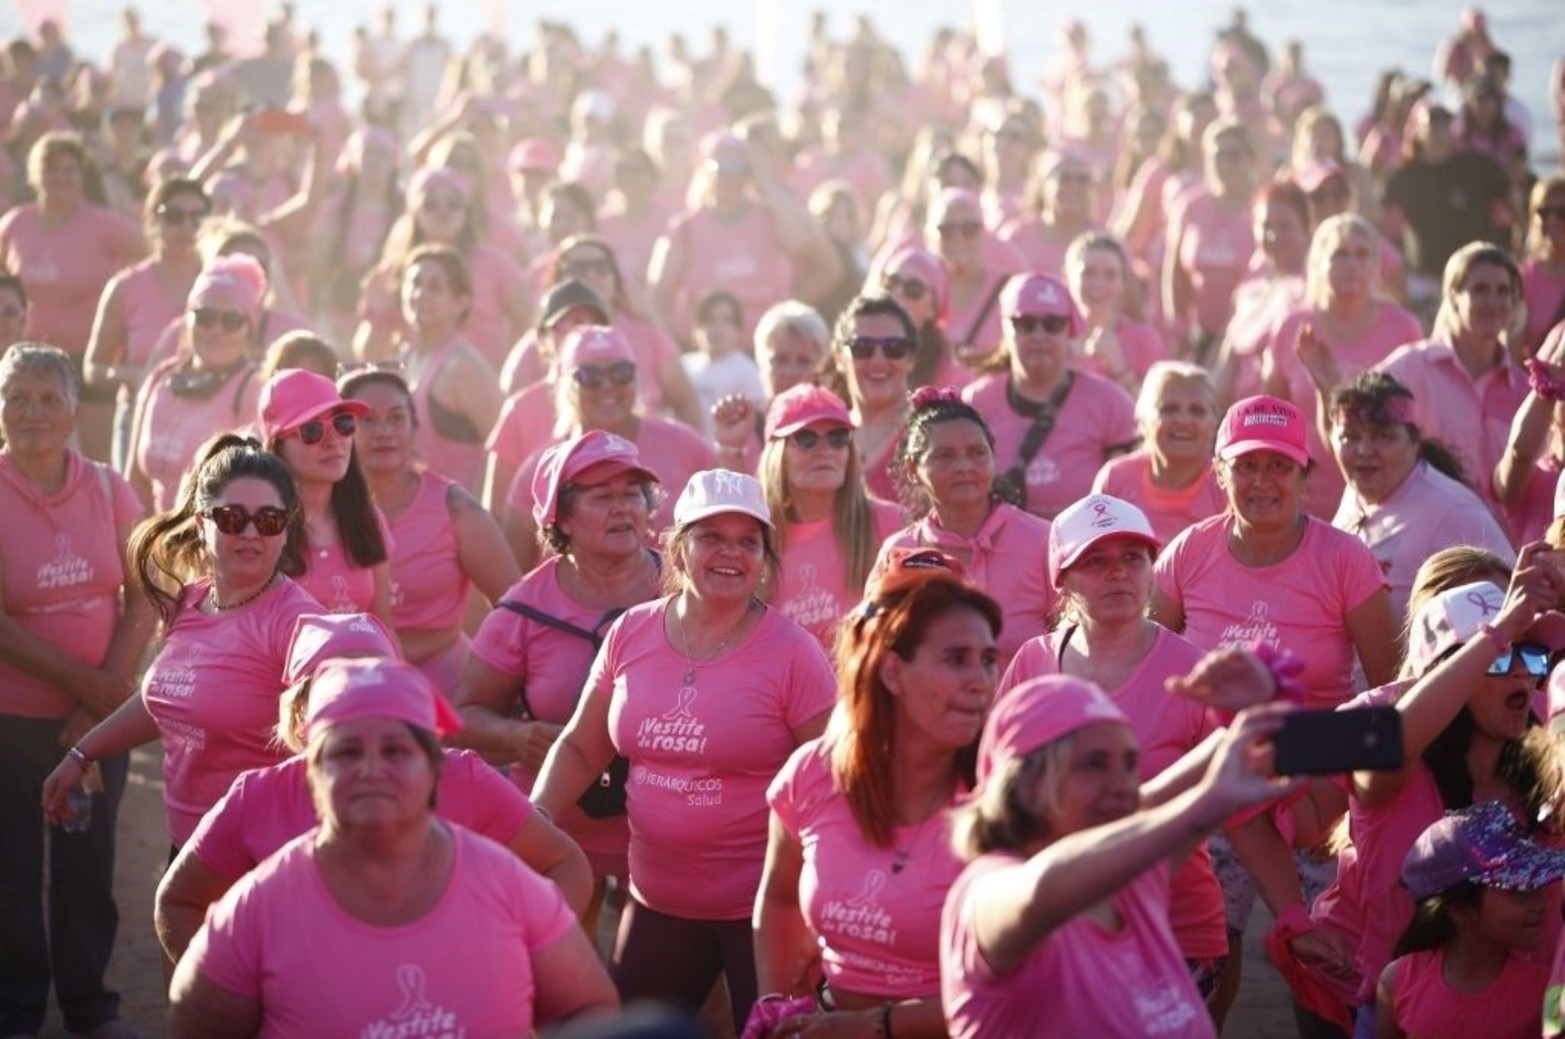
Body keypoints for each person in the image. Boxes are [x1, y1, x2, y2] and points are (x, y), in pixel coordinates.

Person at [531, 470, 837, 1031]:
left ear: (764, 557)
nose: (731, 553)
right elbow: (580, 746)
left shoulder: (795, 654)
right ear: (677, 547)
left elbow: (832, 779)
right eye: (711, 537)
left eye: (748, 541)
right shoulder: (631, 633)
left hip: (764, 913)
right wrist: (534, 816)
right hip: (656, 903)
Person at [167, 658, 619, 1036]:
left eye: (396, 751)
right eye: (346, 753)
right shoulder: (259, 908)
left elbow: (590, 1008)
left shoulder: (506, 885)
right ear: (312, 773)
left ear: (434, 769)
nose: (371, 770)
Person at [154, 612, 593, 964]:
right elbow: (178, 902)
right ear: (302, 708)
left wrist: (512, 960)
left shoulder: (461, 777)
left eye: (378, 680)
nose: (363, 702)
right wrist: (239, 991)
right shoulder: (259, 797)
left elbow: (565, 863)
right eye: (339, 687)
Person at [939, 664, 1298, 1037]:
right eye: (1094, 764)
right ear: (1027, 783)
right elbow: (1043, 888)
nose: (1123, 785)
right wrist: (1206, 804)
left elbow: (1153, 800)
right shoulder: (987, 889)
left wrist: (1252, 710)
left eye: (1129, 764)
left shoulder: (1131, 882)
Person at [1302, 566, 1565, 1035]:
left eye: (1530, 653)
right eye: (1502, 658)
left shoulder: (1548, 762)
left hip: (1537, 1014)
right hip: (1406, 1016)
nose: (1524, 671)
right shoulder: (1389, 766)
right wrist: (1500, 630)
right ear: (1447, 675)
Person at [998, 494, 1231, 1011]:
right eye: (1096, 561)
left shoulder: (1194, 673)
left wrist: (1290, 914)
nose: (1118, 574)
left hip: (1171, 928)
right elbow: (993, 798)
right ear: (1062, 577)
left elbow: (1245, 810)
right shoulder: (1032, 662)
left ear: (1153, 569)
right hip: (1054, 928)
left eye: (1133, 557)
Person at [753, 550, 1000, 1037]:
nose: (980, 681)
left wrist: (875, 1026)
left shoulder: (1006, 797)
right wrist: (779, 1006)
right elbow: (780, 897)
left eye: (988, 659)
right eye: (955, 659)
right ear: (891, 670)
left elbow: (1023, 983)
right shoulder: (812, 774)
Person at [41, 435, 319, 849]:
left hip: (264, 857)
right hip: (189, 849)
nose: (250, 532)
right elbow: (169, 698)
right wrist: (82, 754)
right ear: (200, 522)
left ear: (285, 530)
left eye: (269, 520)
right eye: (231, 517)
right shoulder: (189, 600)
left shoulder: (297, 622)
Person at [0, 343, 150, 1039]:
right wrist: (85, 685)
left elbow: (147, 589)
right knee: (11, 874)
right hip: (13, 720)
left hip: (97, 727)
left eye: (47, 398)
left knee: (87, 869)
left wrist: (99, 701)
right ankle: (17, 1012)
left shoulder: (110, 487)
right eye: (16, 397)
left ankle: (92, 1009)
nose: (31, 411)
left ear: (71, 412)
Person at [453, 431, 664, 923]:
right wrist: (517, 735)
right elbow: (460, 718)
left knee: (680, 996)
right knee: (561, 984)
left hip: (670, 841)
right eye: (602, 496)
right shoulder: (523, 610)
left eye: (632, 494)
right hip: (559, 836)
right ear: (560, 517)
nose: (623, 509)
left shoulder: (683, 588)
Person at [1151, 394, 1398, 708]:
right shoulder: (1189, 550)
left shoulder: (1346, 559)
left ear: (1304, 475)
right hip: (1208, 752)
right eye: (1246, 465)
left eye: (1278, 466)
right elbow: (1147, 668)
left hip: (1319, 751)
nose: (1261, 481)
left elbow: (1394, 691)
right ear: (1219, 473)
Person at [341, 370, 518, 692]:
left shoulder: (455, 507)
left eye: (396, 418)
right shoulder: (321, 512)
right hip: (344, 689)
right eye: (366, 420)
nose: (384, 431)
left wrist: (500, 687)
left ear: (414, 427)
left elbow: (517, 609)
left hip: (445, 692)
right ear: (341, 429)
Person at [502, 325, 715, 571]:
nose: (606, 385)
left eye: (620, 372)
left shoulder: (685, 445)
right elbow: (511, 579)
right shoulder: (541, 470)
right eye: (589, 376)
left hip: (672, 605)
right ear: (564, 383)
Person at [877, 388, 1054, 671]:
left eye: (977, 453)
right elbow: (879, 654)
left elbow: (1076, 646)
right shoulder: (900, 552)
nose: (963, 466)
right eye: (944, 456)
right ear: (912, 469)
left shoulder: (1043, 541)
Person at [1263, 214, 1425, 516]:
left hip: (1382, 497)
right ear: (1319, 262)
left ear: (1376, 265)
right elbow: (1275, 411)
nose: (1352, 264)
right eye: (1340, 254)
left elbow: (1417, 421)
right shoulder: (1293, 325)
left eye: (1362, 254)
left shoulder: (1404, 328)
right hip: (1305, 494)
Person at [0, 131, 142, 460]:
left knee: (95, 457)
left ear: (82, 175)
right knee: (25, 452)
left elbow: (149, 251)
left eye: (70, 169)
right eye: (51, 168)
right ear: (36, 174)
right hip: (28, 358)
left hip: (85, 356)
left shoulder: (104, 224)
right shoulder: (16, 224)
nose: (60, 177)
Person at [1329, 372, 1512, 619]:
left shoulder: (1454, 509)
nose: (1363, 450)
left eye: (1383, 436)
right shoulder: (1356, 489)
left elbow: (1512, 597)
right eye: (1350, 436)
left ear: (1414, 442)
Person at [1374, 802, 1564, 1039]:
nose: (1541, 904)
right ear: (1458, 910)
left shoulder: (1552, 992)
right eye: (1519, 892)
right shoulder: (1397, 981)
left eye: (1539, 887)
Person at [961, 272, 1138, 521]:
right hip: (1001, 551)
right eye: (1025, 324)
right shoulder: (975, 404)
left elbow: (1132, 496)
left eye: (1052, 324)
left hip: (1084, 551)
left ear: (1070, 330)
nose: (1039, 335)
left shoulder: (1109, 402)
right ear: (1005, 328)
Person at [648, 131, 839, 348]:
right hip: (707, 358)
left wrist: (787, 312)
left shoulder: (772, 217)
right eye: (721, 167)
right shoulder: (685, 228)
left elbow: (827, 264)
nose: (729, 177)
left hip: (767, 352)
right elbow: (657, 296)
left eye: (738, 167)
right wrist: (677, 345)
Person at [1377, 243, 1529, 511]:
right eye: (1480, 289)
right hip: (1426, 531)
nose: (1493, 302)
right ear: (1454, 295)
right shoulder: (1412, 367)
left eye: (1503, 291)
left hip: (1501, 543)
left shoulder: (1523, 388)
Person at [756, 383, 904, 651]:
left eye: (837, 438)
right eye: (806, 439)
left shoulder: (892, 524)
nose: (824, 450)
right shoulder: (754, 541)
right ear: (776, 455)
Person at [82, 178, 209, 470]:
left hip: (207, 415)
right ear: (152, 221)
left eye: (197, 216)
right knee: (137, 513)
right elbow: (93, 368)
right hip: (140, 414)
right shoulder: (126, 286)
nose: (187, 226)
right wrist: (137, 377)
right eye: (174, 216)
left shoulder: (222, 284)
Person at [125, 254, 266, 511]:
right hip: (155, 542)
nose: (217, 330)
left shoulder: (254, 390)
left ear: (250, 328)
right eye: (205, 316)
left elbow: (256, 493)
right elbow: (134, 483)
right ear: (187, 319)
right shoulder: (160, 377)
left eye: (232, 321)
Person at [259, 369, 393, 625]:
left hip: (362, 663)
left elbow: (383, 628)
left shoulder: (368, 518)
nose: (334, 441)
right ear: (277, 446)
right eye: (312, 430)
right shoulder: (259, 527)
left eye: (343, 423)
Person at [485, 278, 613, 513]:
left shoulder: (617, 400)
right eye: (573, 325)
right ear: (543, 339)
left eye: (594, 326)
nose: (583, 334)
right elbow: (496, 506)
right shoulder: (520, 410)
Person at [394, 243, 503, 491]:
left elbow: (505, 450)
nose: (420, 293)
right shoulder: (405, 358)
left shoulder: (464, 366)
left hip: (455, 520)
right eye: (415, 283)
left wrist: (473, 514)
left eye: (435, 287)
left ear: (461, 303)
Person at [1092, 362, 1225, 545]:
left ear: (1214, 424)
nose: (1184, 420)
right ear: (1143, 419)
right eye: (1169, 408)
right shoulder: (1115, 479)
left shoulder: (1227, 487)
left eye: (1197, 411)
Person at [1163, 120, 1258, 361]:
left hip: (1249, 334)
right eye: (1217, 156)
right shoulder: (1190, 206)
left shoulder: (1262, 209)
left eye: (1234, 155)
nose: (1224, 163)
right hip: (1199, 336)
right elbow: (1174, 271)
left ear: (1250, 160)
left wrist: (1230, 336)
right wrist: (1179, 326)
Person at [1215, 180, 1312, 404]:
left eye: (1285, 226)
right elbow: (1226, 352)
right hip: (1234, 417)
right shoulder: (1254, 278)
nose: (1274, 236)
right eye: (1267, 226)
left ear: (1306, 228)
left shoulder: (1310, 289)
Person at [1064, 231, 1166, 390]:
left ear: (1123, 284)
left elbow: (1155, 412)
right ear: (1067, 276)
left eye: (1110, 275)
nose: (1098, 284)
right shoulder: (1051, 334)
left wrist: (1120, 369)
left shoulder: (1145, 341)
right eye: (1089, 273)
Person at [1521, 175, 1565, 353]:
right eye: (1544, 212)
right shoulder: (1522, 278)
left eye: (1563, 212)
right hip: (1541, 379)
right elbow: (1513, 354)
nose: (1552, 220)